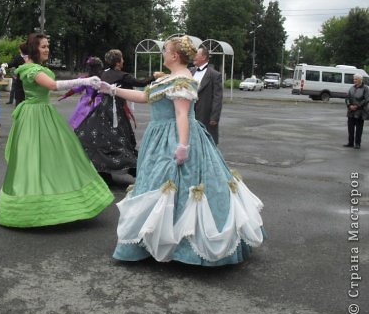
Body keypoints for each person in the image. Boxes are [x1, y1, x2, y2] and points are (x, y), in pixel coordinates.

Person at [100, 35, 265, 266]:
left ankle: (180, 246)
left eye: (165, 50)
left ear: (175, 55)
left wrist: (183, 146)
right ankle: (150, 241)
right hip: (159, 138)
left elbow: (181, 115)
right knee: (157, 186)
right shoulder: (171, 78)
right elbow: (144, 96)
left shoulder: (182, 81)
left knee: (176, 188)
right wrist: (111, 90)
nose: (163, 53)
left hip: (174, 137)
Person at [0, 33, 114, 228]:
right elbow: (52, 85)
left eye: (47, 46)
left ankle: (58, 197)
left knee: (56, 156)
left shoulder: (38, 68)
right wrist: (83, 81)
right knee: (33, 158)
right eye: (43, 46)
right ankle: (32, 206)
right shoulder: (30, 69)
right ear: (34, 49)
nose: (47, 49)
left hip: (45, 113)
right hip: (34, 116)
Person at [75, 49, 157, 180]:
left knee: (98, 137)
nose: (123, 61)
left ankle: (103, 171)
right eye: (122, 59)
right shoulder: (123, 75)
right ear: (118, 62)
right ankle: (130, 168)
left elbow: (98, 87)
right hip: (114, 111)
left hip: (101, 108)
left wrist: (93, 98)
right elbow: (141, 83)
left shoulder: (103, 73)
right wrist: (154, 76)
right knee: (118, 138)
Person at [58, 56, 104, 129]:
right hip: (102, 101)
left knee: (81, 121)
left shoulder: (86, 79)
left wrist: (66, 95)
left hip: (88, 101)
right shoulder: (105, 78)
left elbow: (76, 88)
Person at [189, 46, 223, 144]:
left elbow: (217, 98)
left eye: (196, 55)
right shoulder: (190, 72)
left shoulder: (214, 75)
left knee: (206, 141)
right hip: (189, 112)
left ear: (203, 57)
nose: (193, 57)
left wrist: (214, 117)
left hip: (205, 114)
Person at [344, 73, 369, 149]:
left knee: (359, 129)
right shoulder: (351, 88)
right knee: (350, 128)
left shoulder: (365, 88)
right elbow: (347, 98)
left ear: (360, 80)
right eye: (354, 79)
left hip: (360, 112)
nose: (354, 80)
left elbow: (366, 99)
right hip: (351, 111)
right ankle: (350, 143)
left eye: (356, 79)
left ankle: (357, 143)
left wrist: (357, 106)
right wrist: (349, 105)